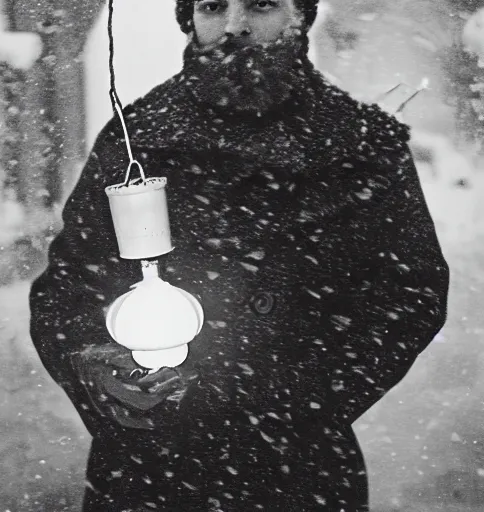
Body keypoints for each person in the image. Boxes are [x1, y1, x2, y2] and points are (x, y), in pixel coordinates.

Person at [29, 0, 450, 510]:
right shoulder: (138, 138)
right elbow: (69, 286)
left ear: (300, 16)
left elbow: (409, 294)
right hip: (151, 467)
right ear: (189, 19)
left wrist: (301, 398)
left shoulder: (361, 144)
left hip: (298, 468)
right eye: (211, 7)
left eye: (261, 4)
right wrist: (99, 367)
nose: (233, 26)